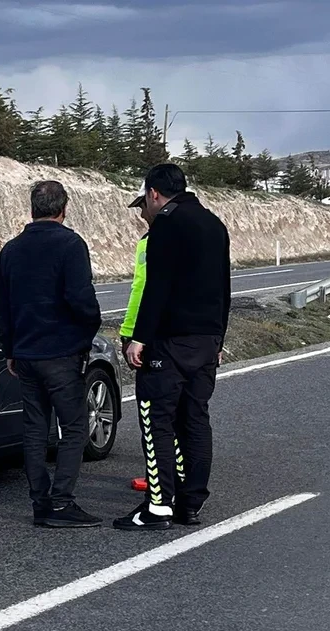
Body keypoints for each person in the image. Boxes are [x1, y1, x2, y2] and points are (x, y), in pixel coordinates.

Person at [114, 163, 230, 531]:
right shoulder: (214, 223)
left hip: (170, 341)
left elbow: (156, 287)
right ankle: (190, 503)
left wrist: (140, 338)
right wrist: (218, 339)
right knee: (196, 419)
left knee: (156, 419)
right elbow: (225, 289)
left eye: (145, 202)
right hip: (206, 341)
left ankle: (159, 505)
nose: (145, 212)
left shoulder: (167, 223)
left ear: (153, 193)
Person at [0, 180, 104, 528]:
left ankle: (40, 501)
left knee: (34, 429)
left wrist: (10, 348)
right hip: (61, 351)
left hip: (25, 353)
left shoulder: (11, 250)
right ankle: (61, 502)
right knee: (73, 426)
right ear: (63, 208)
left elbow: (3, 306)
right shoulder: (71, 244)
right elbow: (80, 298)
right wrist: (88, 330)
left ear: (33, 209)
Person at [120, 185, 186, 494]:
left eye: (143, 207)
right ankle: (171, 471)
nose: (142, 214)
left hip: (147, 333)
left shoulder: (154, 242)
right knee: (167, 409)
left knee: (154, 410)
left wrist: (134, 333)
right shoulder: (153, 241)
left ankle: (162, 475)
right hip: (153, 331)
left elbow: (146, 290)